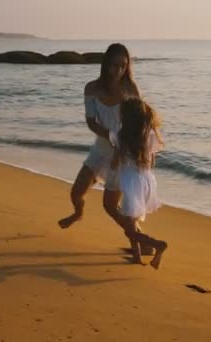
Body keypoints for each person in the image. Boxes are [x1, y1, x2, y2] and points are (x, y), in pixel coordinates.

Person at [57, 43, 154, 254]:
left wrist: (140, 151)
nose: (118, 70)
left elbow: (139, 122)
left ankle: (139, 243)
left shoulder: (131, 89)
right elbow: (91, 122)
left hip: (123, 155)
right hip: (101, 149)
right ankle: (78, 213)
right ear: (106, 64)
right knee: (76, 192)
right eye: (114, 65)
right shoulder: (91, 88)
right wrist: (110, 137)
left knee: (112, 206)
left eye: (123, 65)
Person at [110, 98, 168, 269]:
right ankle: (136, 257)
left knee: (130, 229)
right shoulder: (149, 135)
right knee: (132, 223)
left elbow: (115, 162)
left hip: (131, 183)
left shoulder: (120, 136)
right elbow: (152, 162)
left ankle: (158, 245)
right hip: (147, 181)